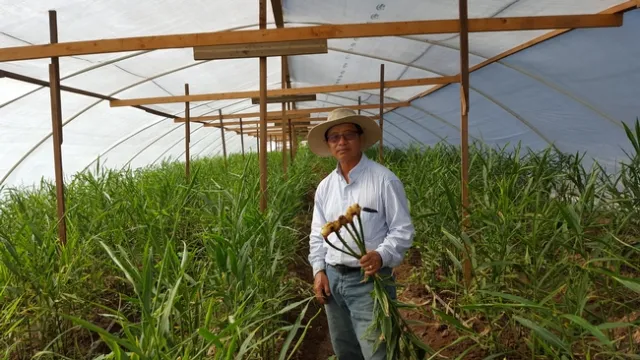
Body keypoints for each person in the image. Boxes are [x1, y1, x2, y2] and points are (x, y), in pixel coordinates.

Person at [306, 108, 415, 360]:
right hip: (333, 282)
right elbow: (317, 234)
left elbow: (402, 229)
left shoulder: (384, 180)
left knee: (378, 352)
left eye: (348, 135)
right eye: (334, 137)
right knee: (346, 351)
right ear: (328, 144)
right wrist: (318, 270)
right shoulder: (325, 187)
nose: (342, 142)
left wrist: (381, 254)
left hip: (370, 281)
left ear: (360, 139)